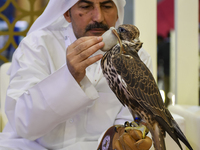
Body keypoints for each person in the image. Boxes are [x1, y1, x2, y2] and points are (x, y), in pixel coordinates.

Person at [0, 0, 153, 149]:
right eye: (86, 6)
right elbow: (24, 123)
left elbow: (132, 121)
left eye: (106, 6)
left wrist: (120, 138)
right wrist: (69, 76)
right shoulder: (38, 46)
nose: (98, 17)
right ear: (67, 13)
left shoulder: (137, 59)